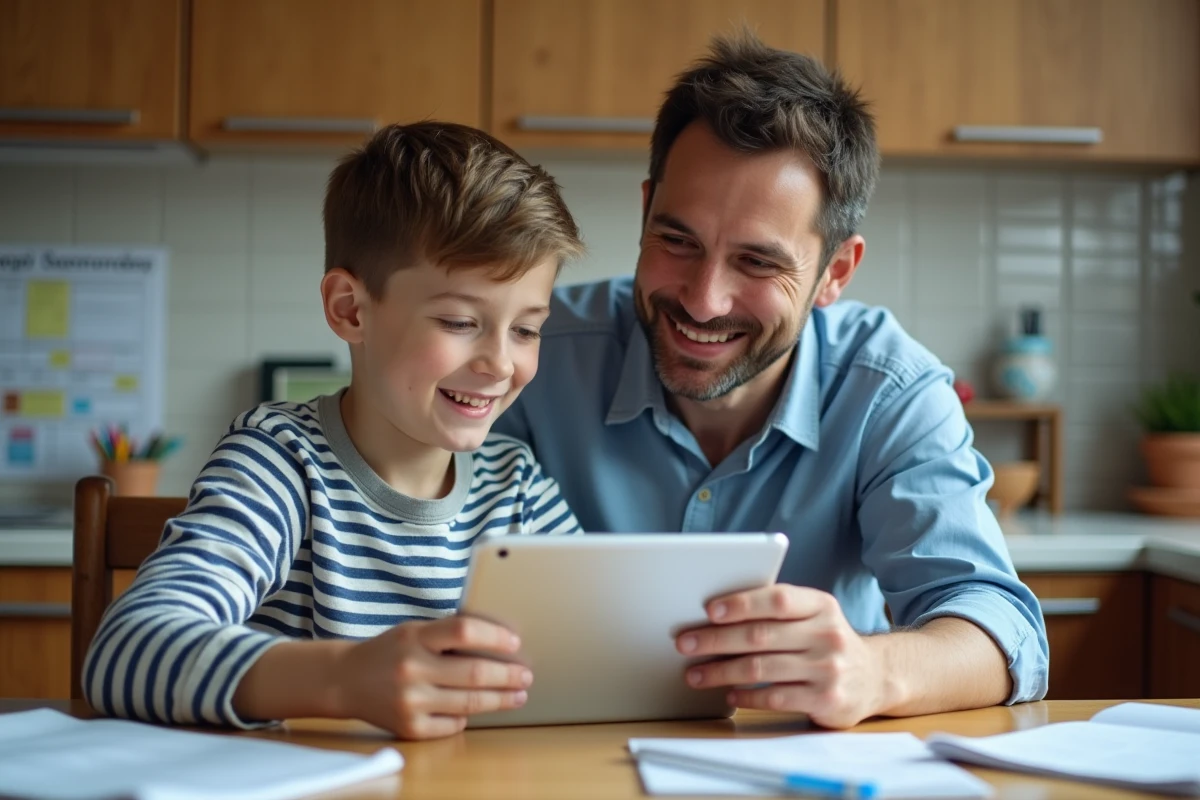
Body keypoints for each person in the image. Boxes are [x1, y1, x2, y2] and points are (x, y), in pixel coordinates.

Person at [494, 33, 1049, 727]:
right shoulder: (529, 355)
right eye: (677, 241)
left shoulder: (889, 390)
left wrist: (874, 671)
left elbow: (1003, 631)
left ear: (835, 273)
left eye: (758, 263)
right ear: (644, 213)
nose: (702, 300)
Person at [84, 122, 585, 740]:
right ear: (350, 309)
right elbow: (125, 652)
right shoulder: (281, 460)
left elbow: (609, 650)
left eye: (527, 330)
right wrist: (344, 679)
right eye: (459, 321)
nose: (501, 363)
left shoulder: (520, 486)